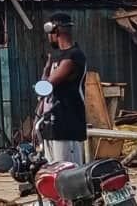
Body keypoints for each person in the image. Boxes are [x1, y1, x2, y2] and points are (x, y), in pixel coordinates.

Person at [39, 13, 88, 165]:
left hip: (67, 122)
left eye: (50, 34)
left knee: (66, 170)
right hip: (52, 122)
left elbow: (45, 87)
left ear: (56, 31)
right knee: (51, 171)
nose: (49, 38)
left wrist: (47, 73)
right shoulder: (58, 57)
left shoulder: (73, 56)